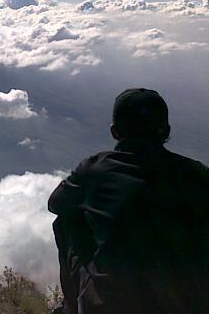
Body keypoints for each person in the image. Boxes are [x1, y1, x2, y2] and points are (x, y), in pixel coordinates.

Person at [48, 88, 209, 314]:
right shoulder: (199, 174)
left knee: (66, 221)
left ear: (114, 132)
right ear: (167, 130)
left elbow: (56, 204)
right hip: (190, 303)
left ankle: (70, 308)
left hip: (109, 305)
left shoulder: (97, 168)